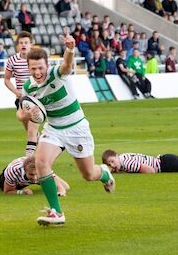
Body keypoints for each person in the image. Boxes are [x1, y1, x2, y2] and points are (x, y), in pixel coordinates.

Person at [18, 38, 115, 226]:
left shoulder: (56, 74)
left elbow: (67, 66)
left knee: (88, 175)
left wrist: (70, 49)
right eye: (33, 69)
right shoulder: (28, 87)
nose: (37, 72)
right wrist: (28, 114)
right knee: (41, 162)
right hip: (53, 129)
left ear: (47, 65)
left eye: (40, 68)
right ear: (28, 68)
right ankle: (57, 212)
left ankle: (103, 173)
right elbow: (21, 114)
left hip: (76, 127)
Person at [4, 31, 38, 157]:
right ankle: (38, 139)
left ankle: (29, 159)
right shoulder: (12, 60)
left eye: (26, 43)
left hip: (36, 99)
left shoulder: (36, 59)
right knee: (26, 125)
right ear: (18, 45)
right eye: (21, 43)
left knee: (31, 130)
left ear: (31, 44)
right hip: (21, 100)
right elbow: (6, 80)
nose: (23, 45)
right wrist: (16, 92)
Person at [0, 156, 70, 196]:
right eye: (31, 174)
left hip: (37, 171)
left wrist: (61, 190)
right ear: (25, 170)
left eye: (36, 174)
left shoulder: (42, 167)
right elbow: (7, 191)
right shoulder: (14, 171)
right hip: (14, 177)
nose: (34, 178)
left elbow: (58, 183)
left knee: (66, 187)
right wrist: (21, 192)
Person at [102, 149, 178, 174]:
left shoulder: (126, 163)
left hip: (166, 164)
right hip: (166, 160)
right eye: (110, 164)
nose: (113, 165)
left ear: (116, 155)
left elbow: (151, 171)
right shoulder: (124, 157)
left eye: (112, 161)